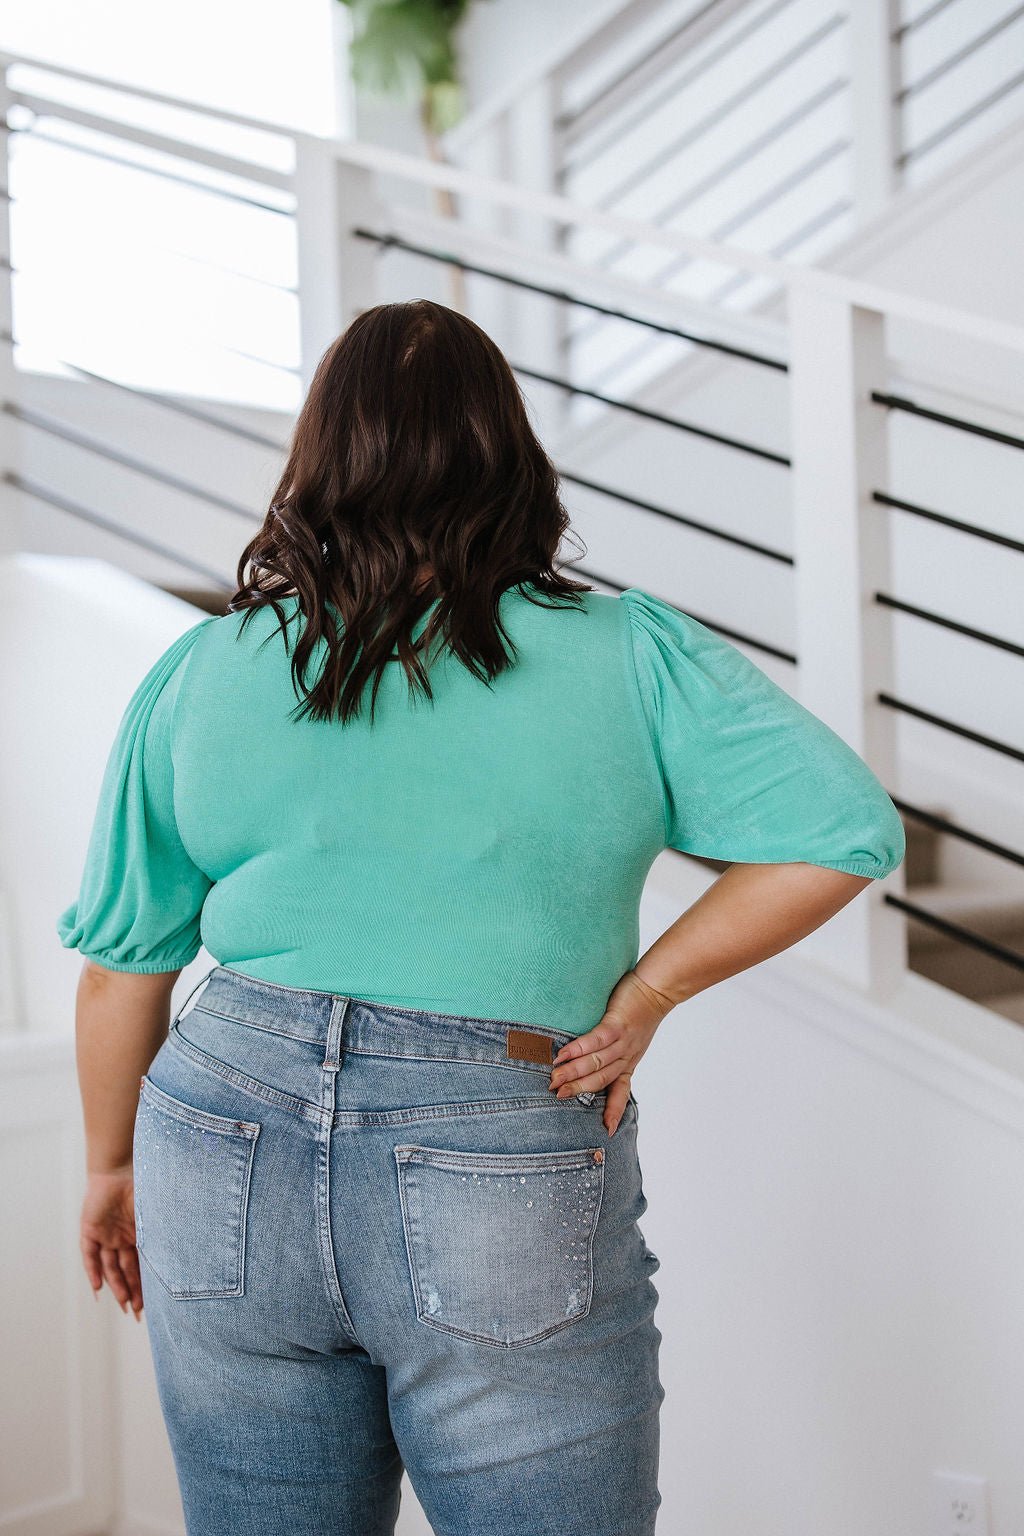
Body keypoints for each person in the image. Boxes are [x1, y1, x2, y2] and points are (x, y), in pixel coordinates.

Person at [56, 299, 905, 1536]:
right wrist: (648, 994)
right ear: (509, 455)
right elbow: (841, 832)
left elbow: (120, 971)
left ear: (318, 458)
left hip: (218, 1127)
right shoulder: (627, 654)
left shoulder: (206, 668)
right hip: (495, 1134)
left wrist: (110, 1166)